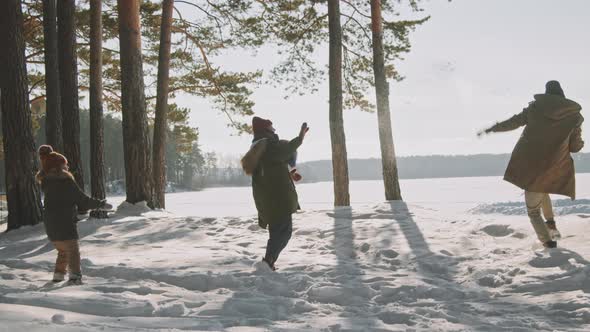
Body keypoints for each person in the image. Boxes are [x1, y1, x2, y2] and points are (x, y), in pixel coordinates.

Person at [479, 81, 584, 248]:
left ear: (547, 93)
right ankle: (550, 226)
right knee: (542, 191)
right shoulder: (573, 117)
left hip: (532, 166)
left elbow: (513, 122)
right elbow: (575, 147)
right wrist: (577, 136)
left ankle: (549, 244)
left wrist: (493, 128)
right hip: (554, 167)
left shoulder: (535, 108)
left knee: (533, 211)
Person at [36, 146, 112, 284]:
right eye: (64, 164)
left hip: (51, 225)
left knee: (62, 251)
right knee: (73, 251)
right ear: (59, 166)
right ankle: (75, 277)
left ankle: (58, 275)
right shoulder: (65, 182)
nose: (67, 166)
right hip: (65, 223)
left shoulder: (46, 182)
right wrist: (101, 204)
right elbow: (82, 200)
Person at [241, 117, 309, 270]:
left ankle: (268, 264)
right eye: (272, 128)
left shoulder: (259, 148)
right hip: (277, 200)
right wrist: (300, 137)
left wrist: (290, 173)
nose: (275, 130)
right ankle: (267, 263)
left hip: (270, 200)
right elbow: (287, 149)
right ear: (266, 130)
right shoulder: (269, 147)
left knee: (277, 234)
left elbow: (272, 169)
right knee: (283, 234)